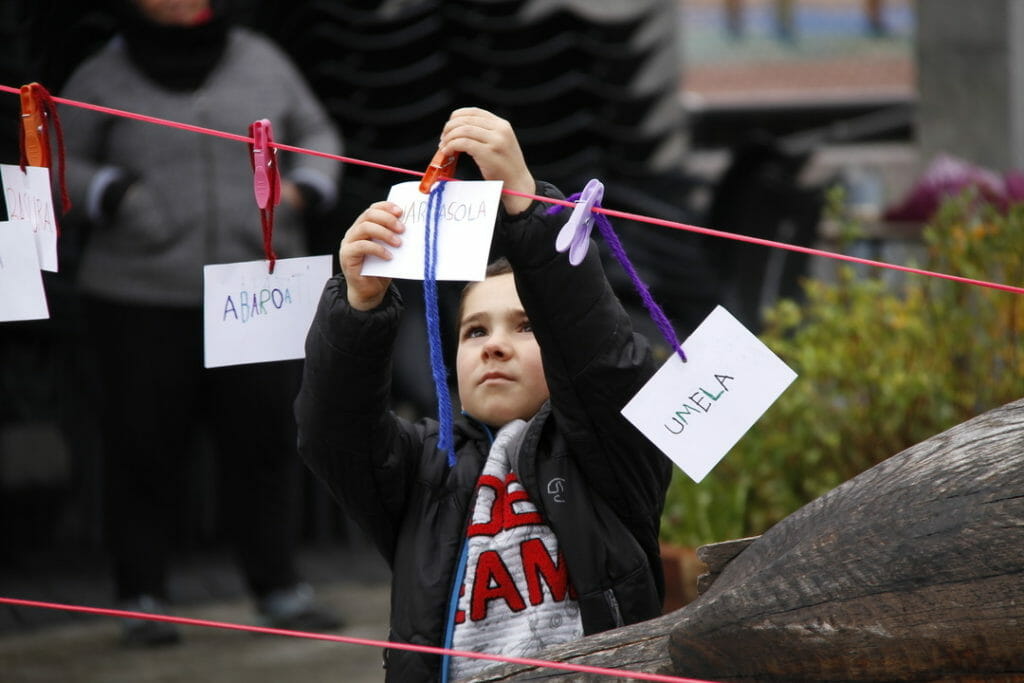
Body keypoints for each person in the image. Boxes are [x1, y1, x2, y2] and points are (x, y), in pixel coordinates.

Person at [295, 108, 673, 681]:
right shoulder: (421, 468)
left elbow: (601, 362)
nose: (494, 346)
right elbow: (333, 432)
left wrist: (528, 205)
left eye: (525, 327)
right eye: (476, 331)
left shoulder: (610, 453)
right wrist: (358, 308)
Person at [59, 0, 343, 646]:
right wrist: (116, 194)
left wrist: (304, 186)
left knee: (266, 439)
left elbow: (319, 133)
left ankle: (278, 587)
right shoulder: (101, 74)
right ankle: (143, 594)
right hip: (139, 296)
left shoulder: (262, 58)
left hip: (253, 293)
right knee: (142, 446)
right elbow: (52, 161)